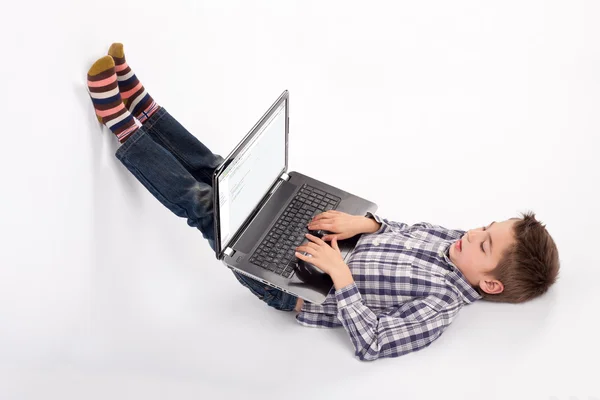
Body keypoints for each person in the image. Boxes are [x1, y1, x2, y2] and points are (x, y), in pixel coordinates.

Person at [86, 44, 560, 361]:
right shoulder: (454, 240)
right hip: (329, 243)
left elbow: (373, 342)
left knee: (209, 207)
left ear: (491, 285)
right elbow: (400, 228)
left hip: (296, 286)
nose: (472, 235)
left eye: (484, 246)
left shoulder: (439, 307)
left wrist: (341, 276)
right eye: (485, 227)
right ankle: (143, 106)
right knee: (223, 171)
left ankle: (124, 128)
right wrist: (367, 226)